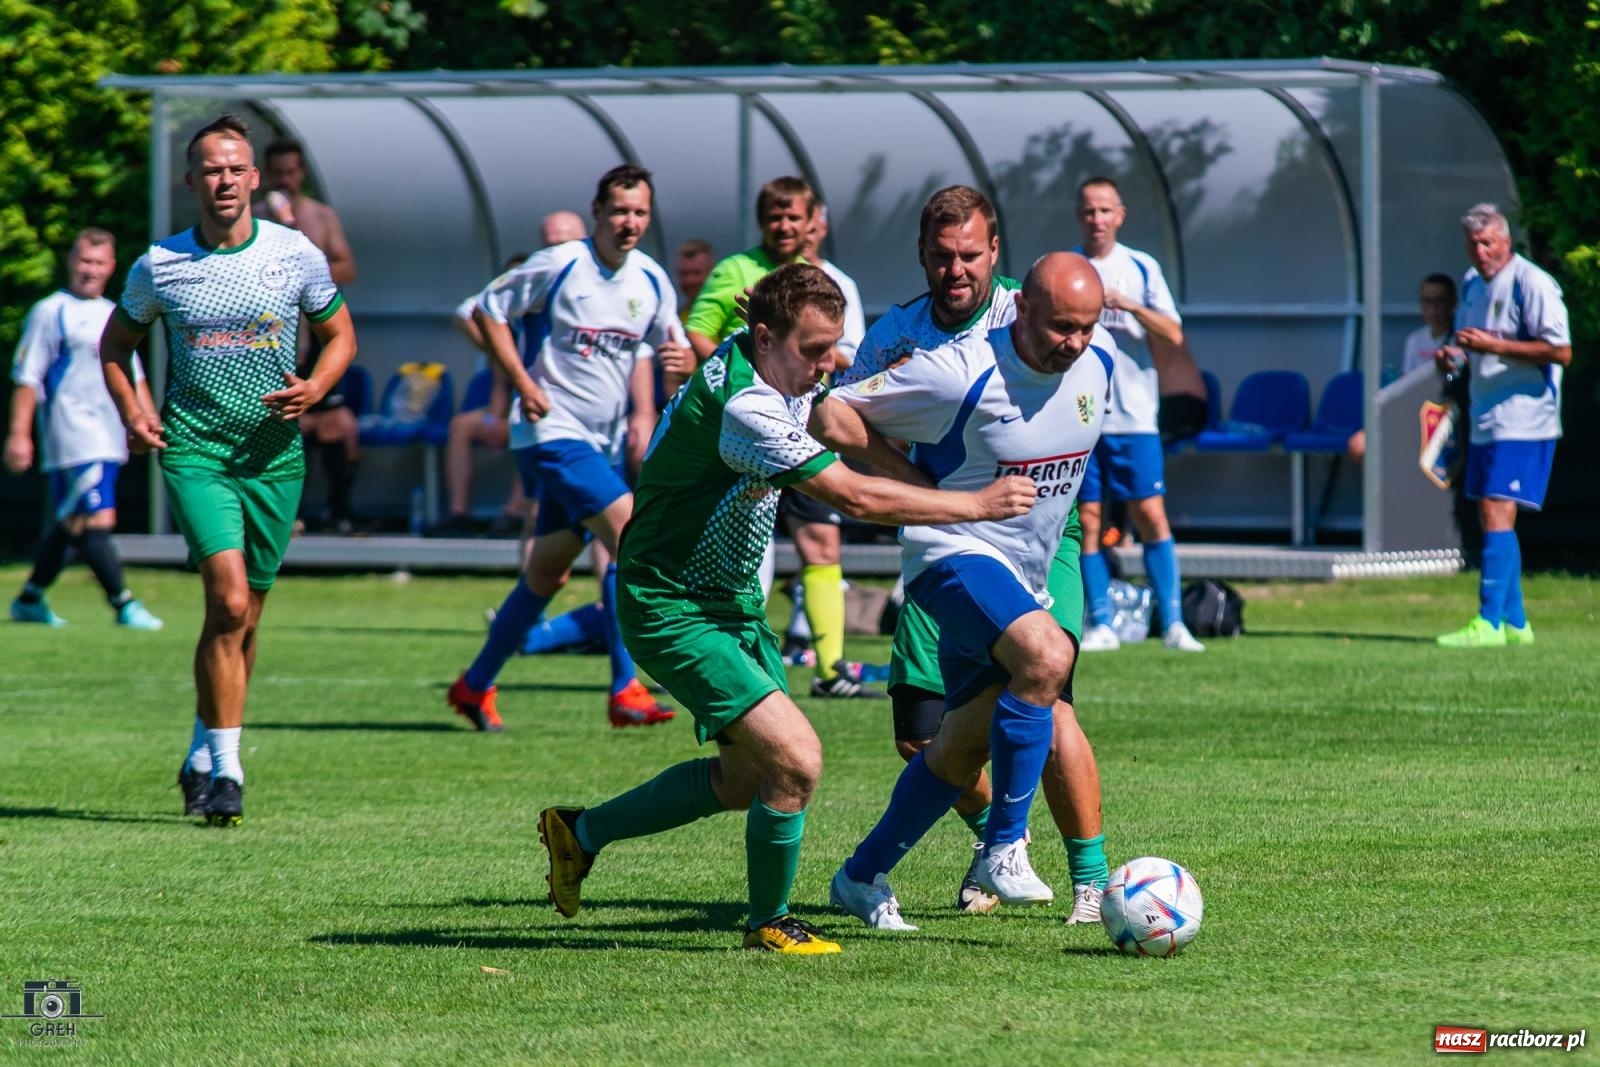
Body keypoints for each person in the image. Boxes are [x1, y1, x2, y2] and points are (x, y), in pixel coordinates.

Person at [536, 263, 1037, 954]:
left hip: (731, 604)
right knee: (797, 758)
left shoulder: (771, 362)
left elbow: (834, 409)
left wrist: (791, 340)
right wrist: (973, 506)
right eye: (812, 349)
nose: (827, 364)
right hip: (670, 602)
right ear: (766, 336)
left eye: (832, 346)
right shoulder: (749, 405)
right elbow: (854, 496)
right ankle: (769, 921)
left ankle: (580, 832)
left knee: (747, 777)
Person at [834, 185, 1111, 922]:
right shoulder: (944, 361)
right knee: (1037, 667)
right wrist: (919, 489)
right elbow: (831, 410)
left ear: (998, 260)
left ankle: (862, 875)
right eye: (942, 256)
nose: (1073, 342)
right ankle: (1006, 846)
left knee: (959, 743)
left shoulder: (1093, 359)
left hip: (1031, 562)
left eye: (1086, 328)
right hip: (950, 548)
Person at [100, 114, 356, 827]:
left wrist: (316, 386)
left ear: (254, 177)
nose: (224, 179)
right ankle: (231, 773)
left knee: (242, 620)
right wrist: (134, 409)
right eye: (210, 168)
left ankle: (200, 751)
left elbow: (340, 335)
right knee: (231, 600)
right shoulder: (160, 264)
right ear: (191, 181)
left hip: (274, 458)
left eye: (235, 167)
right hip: (197, 452)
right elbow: (115, 347)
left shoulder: (294, 253)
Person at [446, 165, 685, 731]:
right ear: (599, 211)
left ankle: (474, 685)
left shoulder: (650, 279)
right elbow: (483, 310)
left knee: (548, 573)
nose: (630, 222)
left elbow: (669, 347)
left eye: (640, 213)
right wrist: (524, 385)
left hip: (598, 443)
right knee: (635, 539)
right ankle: (627, 686)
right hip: (550, 433)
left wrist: (682, 363)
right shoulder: (561, 263)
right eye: (621, 211)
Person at [1072, 176, 1205, 653]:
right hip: (1080, 418)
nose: (1097, 219)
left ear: (1120, 215)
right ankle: (1101, 622)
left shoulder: (1140, 268)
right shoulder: (1067, 269)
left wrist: (1128, 304)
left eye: (1105, 210)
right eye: (1089, 211)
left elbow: (1172, 333)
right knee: (1087, 519)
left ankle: (1173, 623)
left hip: (1134, 415)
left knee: (1149, 512)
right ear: (1079, 215)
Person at [6, 228, 163, 631]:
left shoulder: (115, 312)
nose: (90, 270)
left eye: (98, 263)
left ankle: (29, 597)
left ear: (111, 267)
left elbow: (135, 376)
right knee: (97, 520)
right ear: (70, 262)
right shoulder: (50, 311)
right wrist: (19, 433)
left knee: (72, 523)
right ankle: (123, 603)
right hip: (71, 432)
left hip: (109, 434)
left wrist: (148, 420)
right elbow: (28, 376)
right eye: (84, 261)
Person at [1435, 204, 1570, 648]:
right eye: (1473, 243)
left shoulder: (1532, 282)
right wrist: (1455, 355)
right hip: (1485, 412)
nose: (1481, 250)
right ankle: (1515, 622)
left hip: (1525, 414)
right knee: (1490, 511)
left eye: (1488, 242)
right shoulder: (1473, 283)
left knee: (1497, 507)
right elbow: (1469, 342)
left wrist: (1494, 344)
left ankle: (1488, 622)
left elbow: (1560, 350)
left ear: (1506, 242)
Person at [775, 198, 879, 697]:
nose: (792, 227)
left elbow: (850, 358)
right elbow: (697, 335)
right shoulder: (738, 270)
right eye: (781, 217)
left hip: (804, 426)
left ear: (819, 223)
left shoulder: (840, 284)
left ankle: (830, 666)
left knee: (822, 544)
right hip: (746, 431)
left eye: (800, 218)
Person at [259, 140, 362, 535]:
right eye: (278, 172)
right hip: (274, 336)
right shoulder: (255, 218)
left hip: (316, 330)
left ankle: (339, 512)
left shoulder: (321, 216)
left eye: (291, 171)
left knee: (336, 424)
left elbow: (348, 268)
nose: (285, 180)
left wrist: (304, 262)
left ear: (301, 173)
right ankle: (287, 515)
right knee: (288, 423)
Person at [1348, 273, 1458, 462]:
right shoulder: (1414, 340)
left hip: (1447, 415)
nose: (1433, 308)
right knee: (1358, 444)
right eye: (1427, 301)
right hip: (1414, 413)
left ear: (1453, 304)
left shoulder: (1460, 340)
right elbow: (1407, 384)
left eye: (1439, 301)